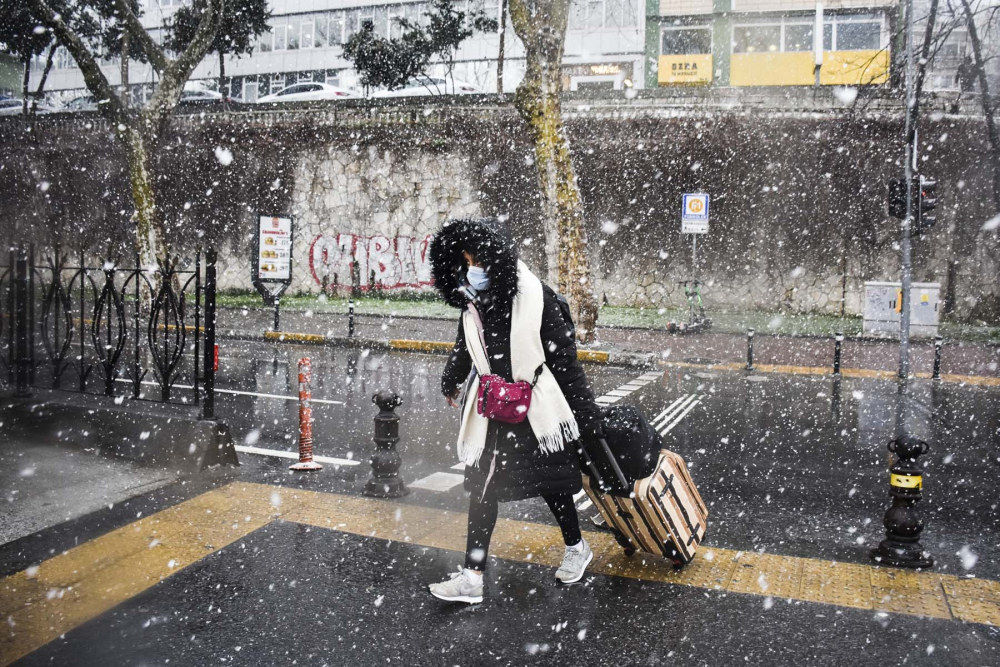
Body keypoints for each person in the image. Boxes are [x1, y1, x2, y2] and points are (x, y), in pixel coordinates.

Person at [426, 218, 602, 604]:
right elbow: (465, 347)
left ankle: (577, 548)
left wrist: (587, 416)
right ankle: (473, 577)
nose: (471, 267)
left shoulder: (540, 298)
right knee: (483, 487)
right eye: (465, 259)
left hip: (536, 410)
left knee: (552, 485)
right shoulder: (473, 303)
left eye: (477, 259)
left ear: (496, 260)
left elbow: (565, 363)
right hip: (493, 410)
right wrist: (450, 379)